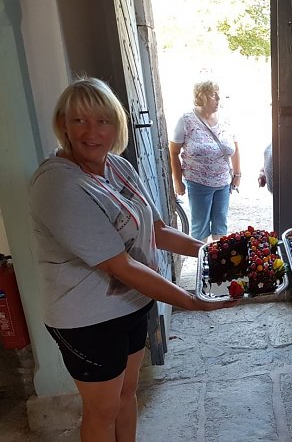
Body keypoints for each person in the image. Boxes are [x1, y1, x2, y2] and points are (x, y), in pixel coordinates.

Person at [29, 77, 238, 442]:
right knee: (102, 411)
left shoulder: (117, 167)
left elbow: (157, 230)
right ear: (63, 124)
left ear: (117, 125)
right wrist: (191, 301)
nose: (92, 132)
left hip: (131, 305)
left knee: (127, 396)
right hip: (87, 321)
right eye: (79, 121)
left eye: (103, 120)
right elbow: (119, 265)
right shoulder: (58, 185)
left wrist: (213, 251)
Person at [169, 80, 240, 242]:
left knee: (220, 226)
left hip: (223, 182)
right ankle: (202, 260)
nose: (218, 98)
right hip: (198, 183)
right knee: (200, 228)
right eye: (213, 95)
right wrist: (177, 181)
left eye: (218, 94)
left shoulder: (225, 119)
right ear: (201, 97)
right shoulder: (186, 120)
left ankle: (218, 260)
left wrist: (237, 174)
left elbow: (235, 147)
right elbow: (173, 152)